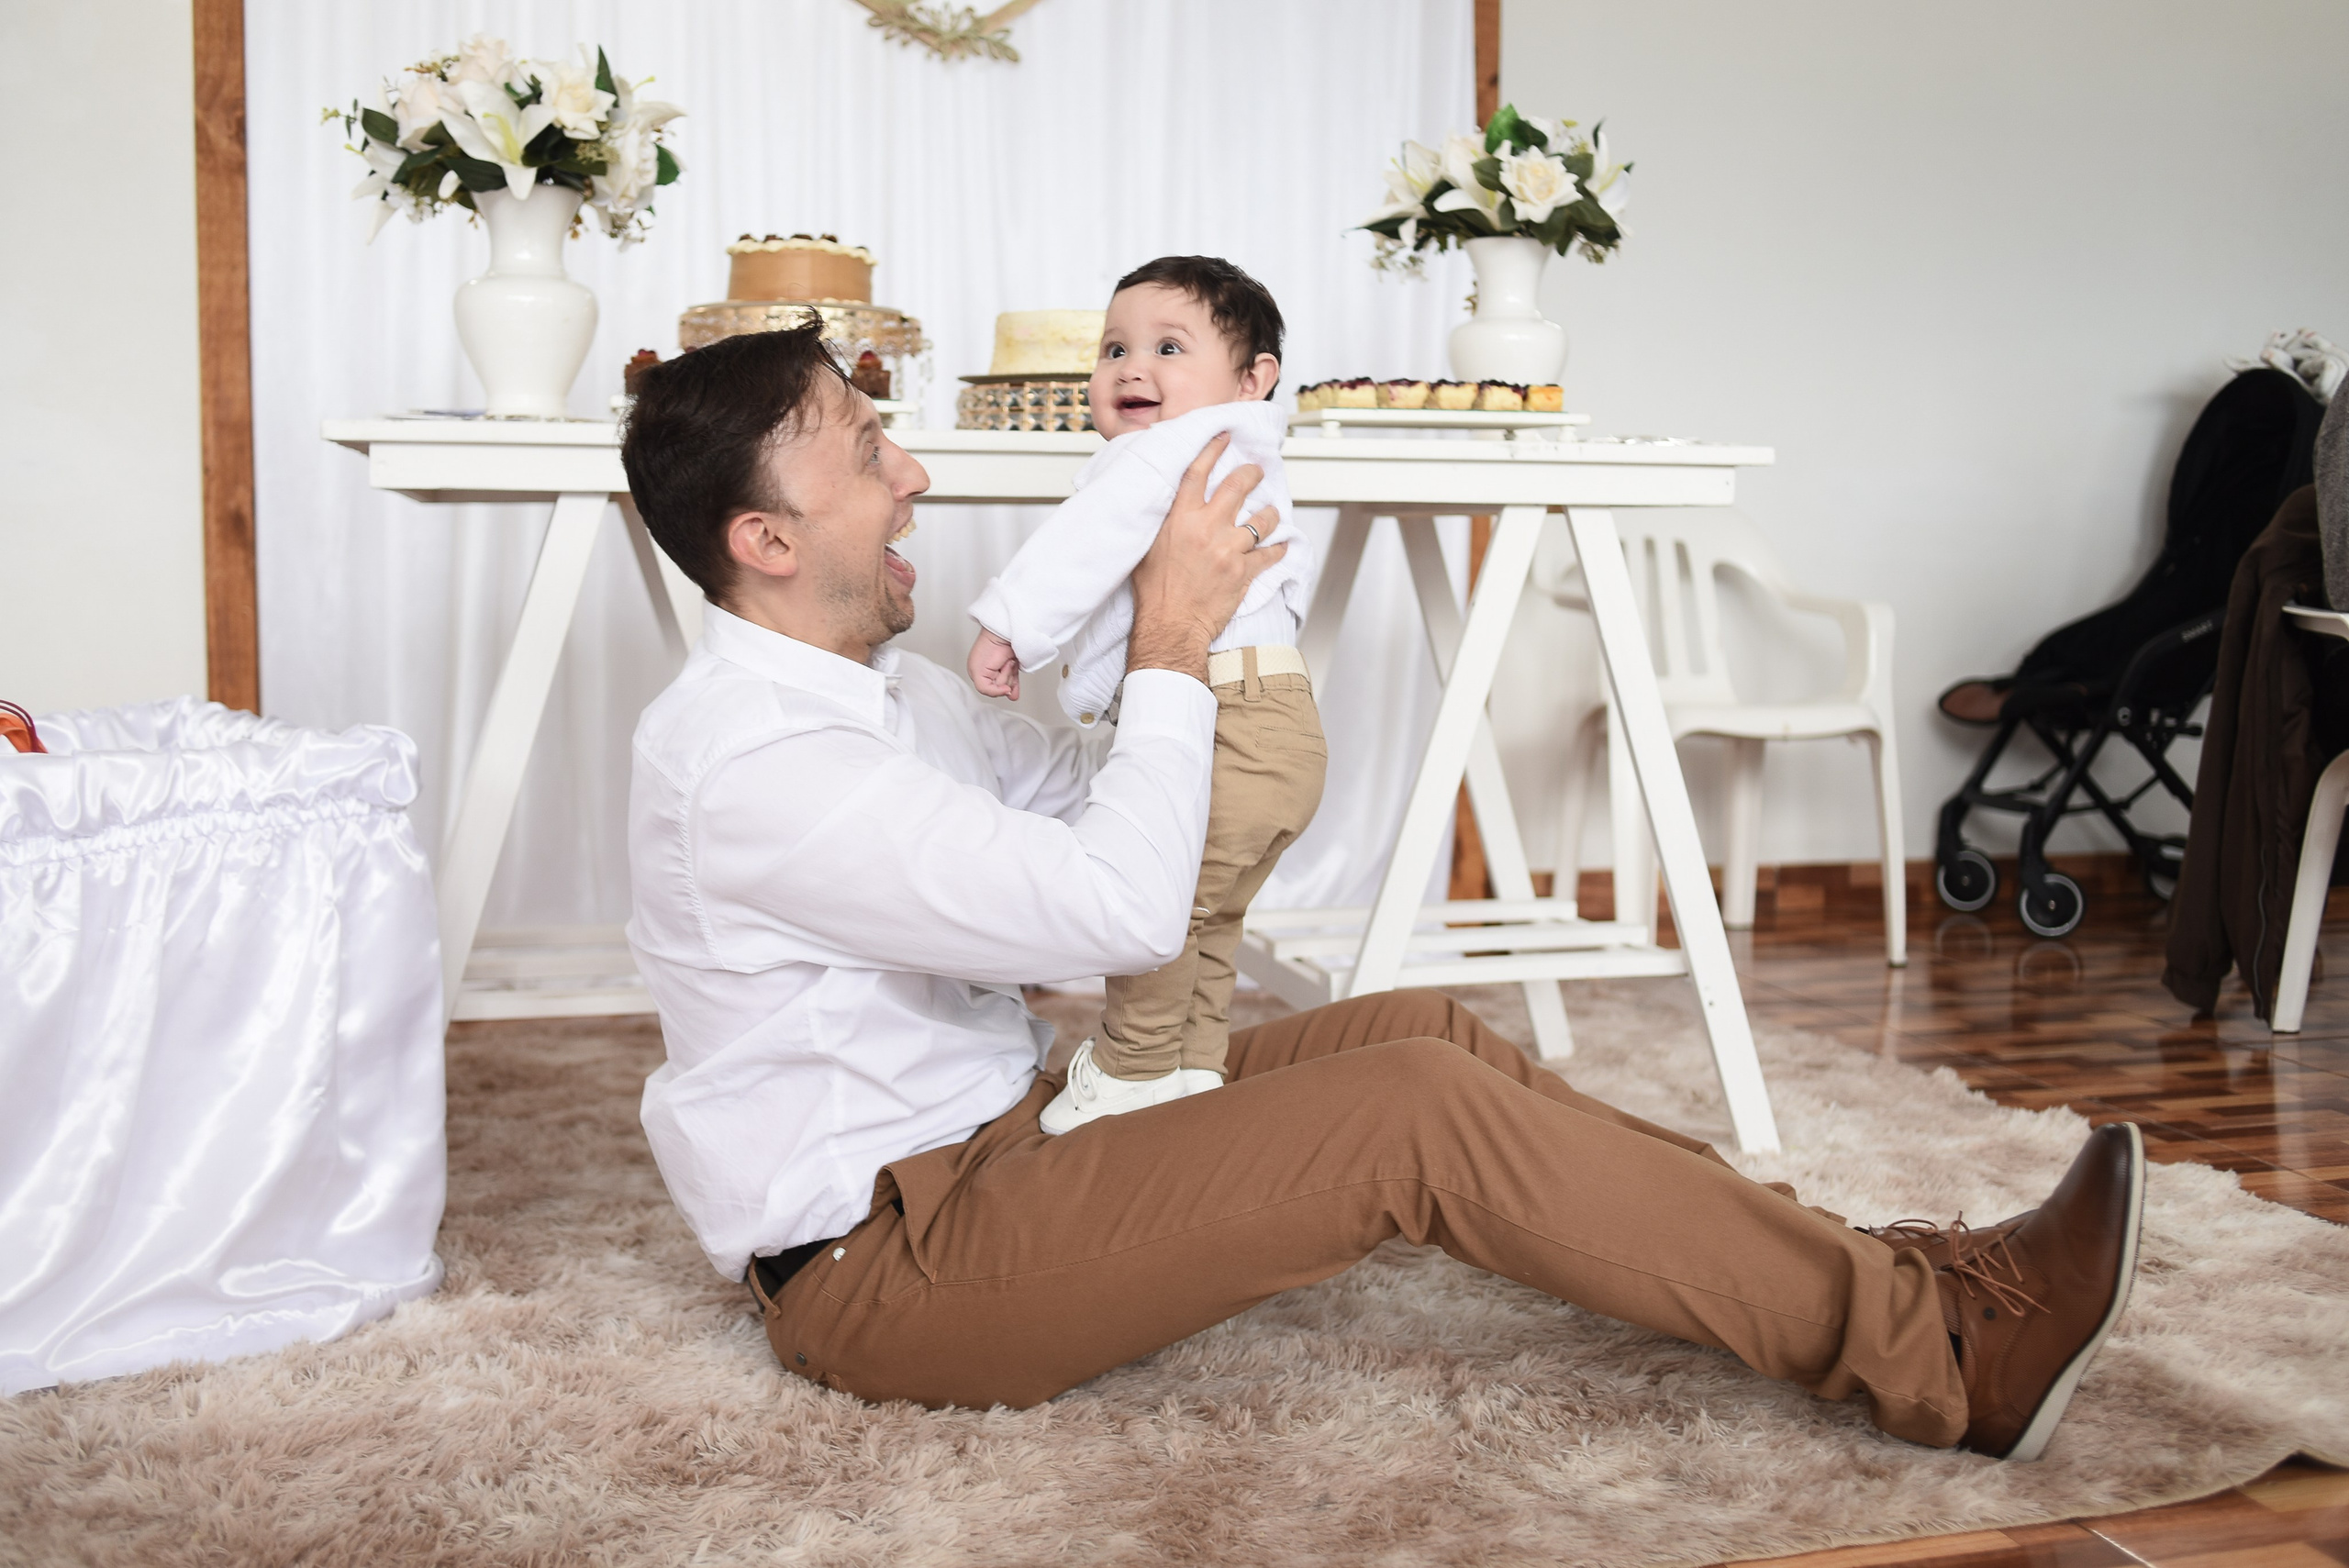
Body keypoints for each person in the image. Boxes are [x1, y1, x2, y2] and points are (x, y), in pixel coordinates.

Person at [618, 320, 2145, 1463]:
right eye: (867, 450)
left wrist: (1219, 648)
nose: (915, 472)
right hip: (894, 1268)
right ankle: (1943, 1350)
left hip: (1009, 1137)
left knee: (1421, 1027)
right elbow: (1122, 911)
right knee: (1411, 1110)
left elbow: (1105, 792)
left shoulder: (889, 698)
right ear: (766, 539)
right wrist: (1162, 640)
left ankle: (1882, 1268)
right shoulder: (753, 762)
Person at [965, 257, 1322, 1132]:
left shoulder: (1162, 455)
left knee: (1157, 903)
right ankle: (1190, 1074)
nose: (1132, 368)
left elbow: (1082, 544)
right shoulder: (1246, 458)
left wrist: (1010, 624)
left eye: (1169, 346)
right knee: (1210, 921)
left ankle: (1128, 1069)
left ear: (1254, 379)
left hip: (1228, 722)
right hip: (1281, 723)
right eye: (1114, 347)